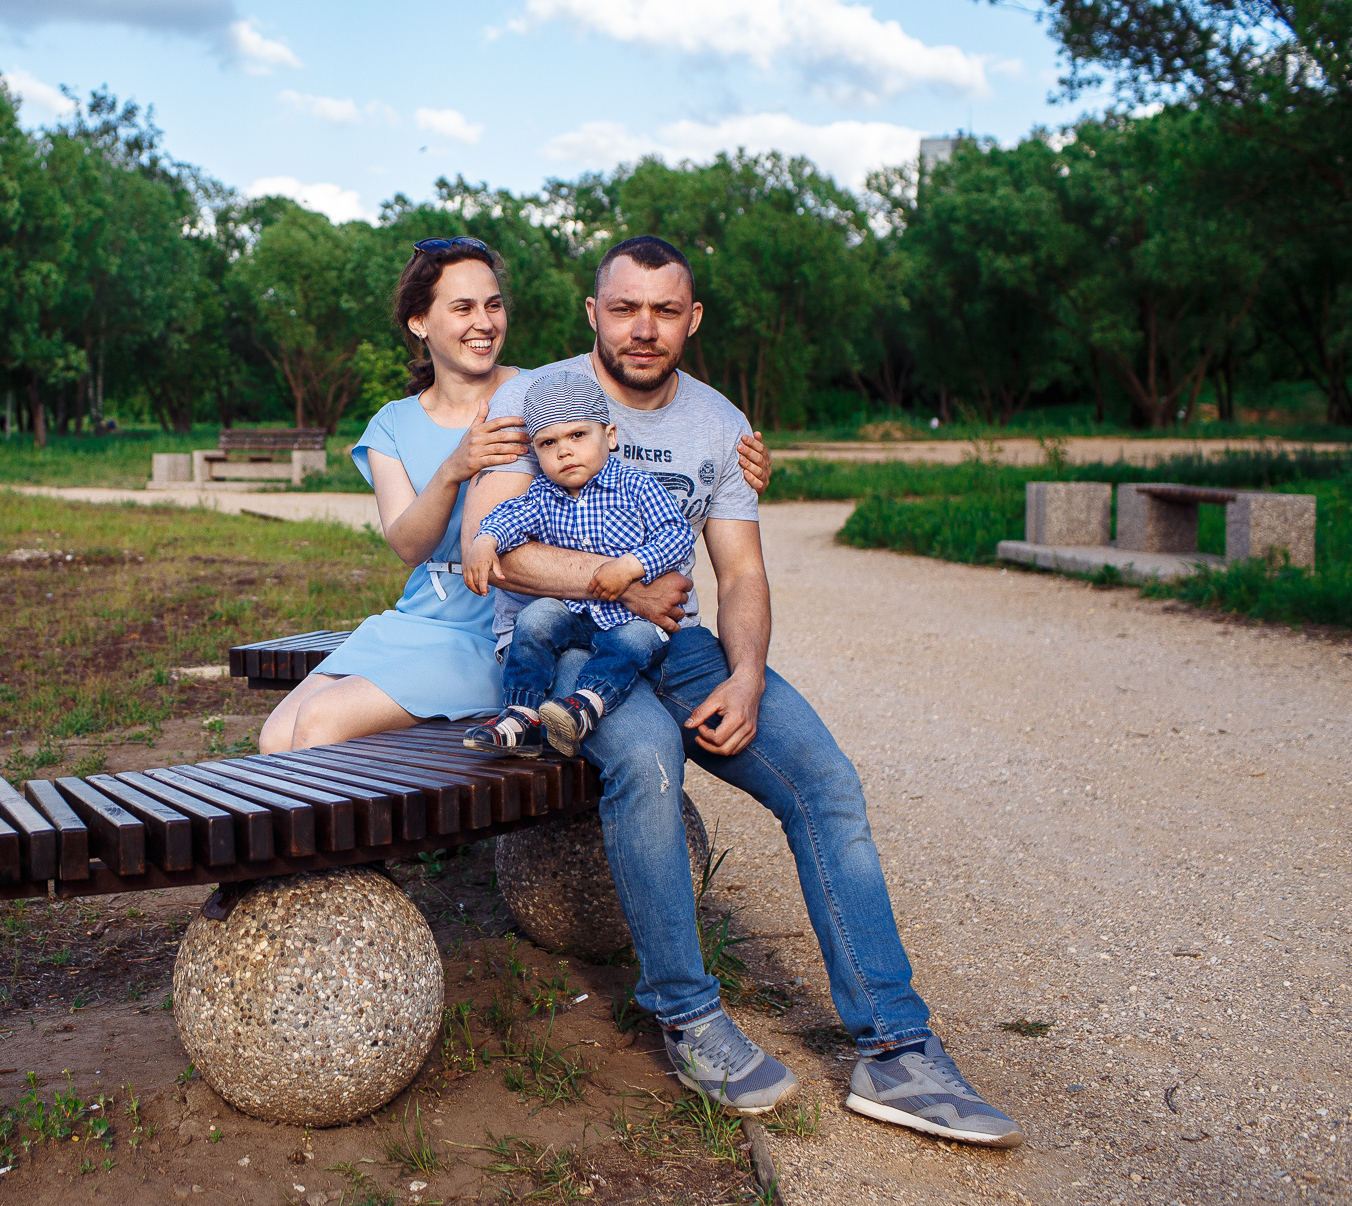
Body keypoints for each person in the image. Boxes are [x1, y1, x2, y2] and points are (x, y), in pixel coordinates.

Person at [464, 234, 1024, 1148]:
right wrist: (617, 583)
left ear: (691, 319)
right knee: (644, 762)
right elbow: (499, 550)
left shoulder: (720, 424)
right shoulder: (537, 399)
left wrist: (750, 673)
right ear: (593, 313)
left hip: (677, 640)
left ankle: (897, 1049)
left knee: (826, 782)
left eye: (665, 310)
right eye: (625, 308)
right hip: (566, 640)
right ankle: (688, 1018)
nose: (644, 329)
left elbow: (743, 571)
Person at [258, 235, 772, 755]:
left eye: (493, 305)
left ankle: (379, 835)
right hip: (421, 620)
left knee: (320, 722)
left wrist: (739, 456)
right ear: (420, 322)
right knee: (277, 736)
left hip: (508, 624)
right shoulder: (393, 422)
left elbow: (631, 437)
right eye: (463, 308)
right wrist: (453, 469)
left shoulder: (544, 393)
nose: (483, 322)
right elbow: (409, 547)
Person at [460, 371, 693, 758]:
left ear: (610, 436)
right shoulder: (542, 495)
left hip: (629, 617)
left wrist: (631, 566)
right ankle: (521, 713)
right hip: (575, 612)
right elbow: (510, 516)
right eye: (548, 443)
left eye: (578, 435)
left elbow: (675, 534)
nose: (564, 451)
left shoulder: (637, 486)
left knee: (635, 641)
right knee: (535, 619)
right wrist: (487, 539)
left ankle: (586, 706)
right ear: (535, 451)